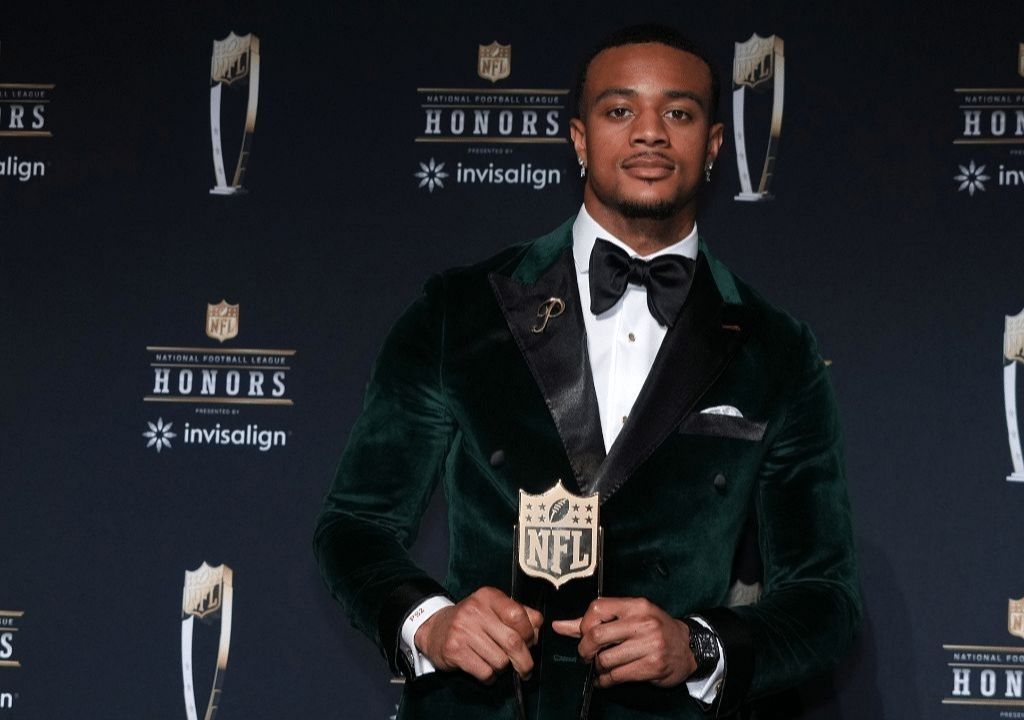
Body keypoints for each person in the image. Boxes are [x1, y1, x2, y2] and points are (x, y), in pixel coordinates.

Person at [314, 24, 860, 719]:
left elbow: (826, 598)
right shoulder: (460, 310)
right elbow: (354, 523)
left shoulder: (776, 350)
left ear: (714, 145)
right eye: (620, 109)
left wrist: (699, 646)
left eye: (680, 112)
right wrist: (430, 621)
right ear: (578, 139)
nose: (650, 133)